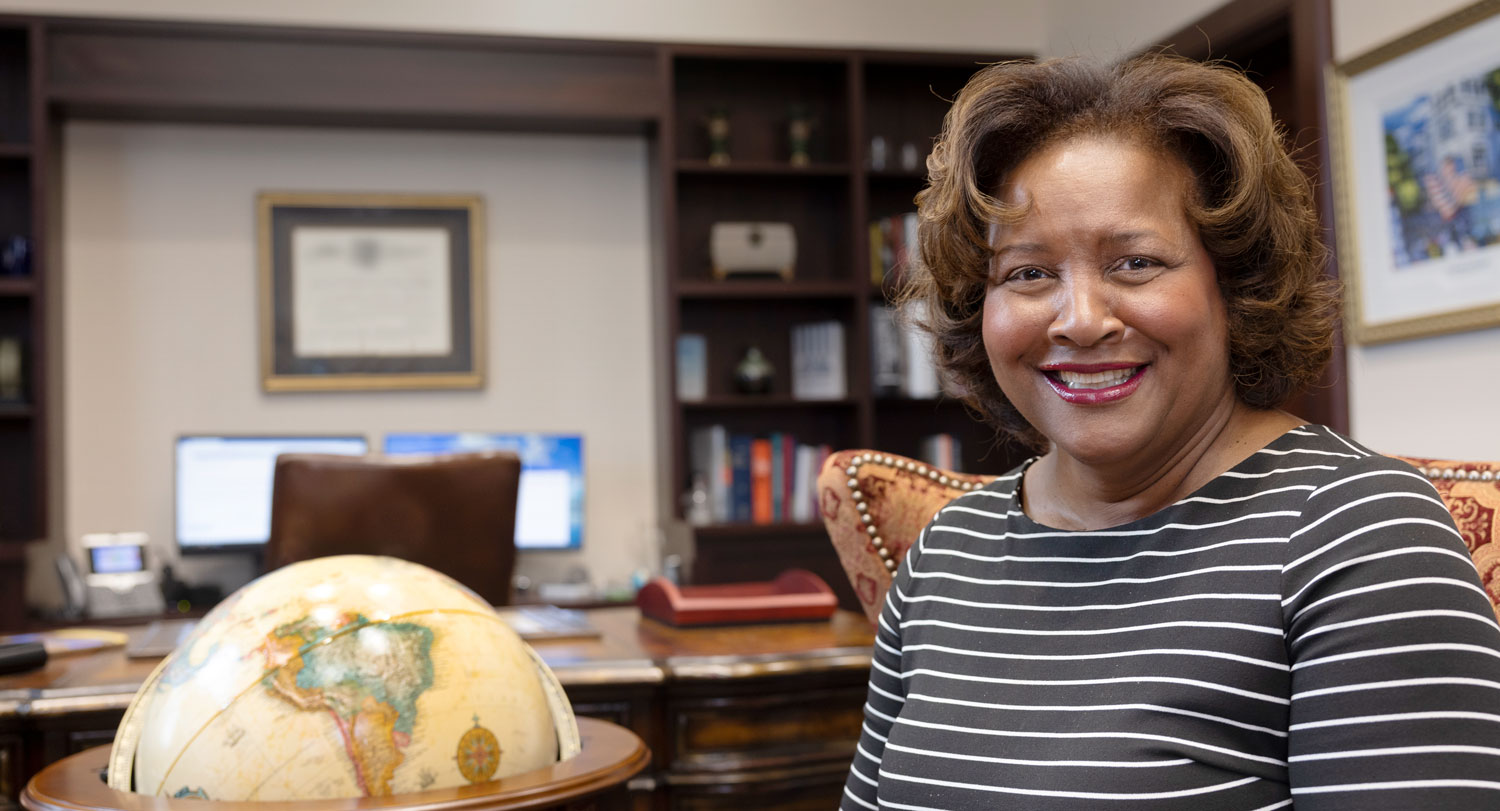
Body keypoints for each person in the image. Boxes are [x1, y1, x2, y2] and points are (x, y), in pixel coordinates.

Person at [842, 54, 1500, 810]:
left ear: (1235, 285)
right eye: (1027, 273)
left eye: (1135, 262)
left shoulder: (1360, 534)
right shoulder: (944, 556)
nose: (1081, 319)